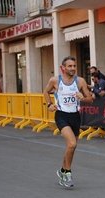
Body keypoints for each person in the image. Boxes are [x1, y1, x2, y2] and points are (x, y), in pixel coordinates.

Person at [43, 56, 93, 187]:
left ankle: (63, 170)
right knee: (72, 144)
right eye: (70, 66)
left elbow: (90, 100)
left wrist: (82, 98)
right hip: (61, 115)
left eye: (74, 66)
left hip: (75, 116)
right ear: (63, 68)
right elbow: (46, 92)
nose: (73, 68)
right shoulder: (55, 80)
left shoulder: (80, 81)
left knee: (71, 147)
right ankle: (68, 173)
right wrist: (49, 104)